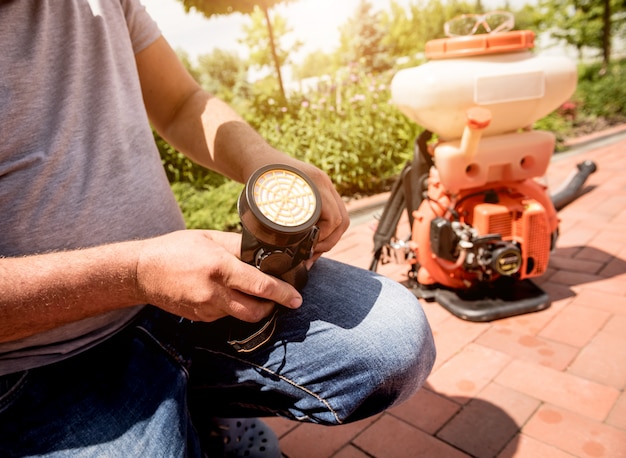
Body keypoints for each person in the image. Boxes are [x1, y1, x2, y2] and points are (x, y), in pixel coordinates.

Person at [0, 1, 436, 456]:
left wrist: (262, 159)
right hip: (39, 365)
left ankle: (190, 407)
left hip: (175, 306)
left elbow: (180, 103)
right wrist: (136, 274)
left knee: (392, 340)